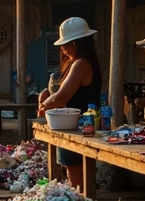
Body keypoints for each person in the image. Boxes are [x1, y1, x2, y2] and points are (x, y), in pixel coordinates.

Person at [38, 18, 103, 189]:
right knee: (71, 169)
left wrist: (45, 104)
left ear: (75, 42)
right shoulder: (80, 63)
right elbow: (58, 92)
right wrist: (47, 95)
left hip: (79, 126)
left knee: (75, 172)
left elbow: (61, 98)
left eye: (65, 44)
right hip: (76, 125)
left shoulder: (81, 64)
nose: (63, 49)